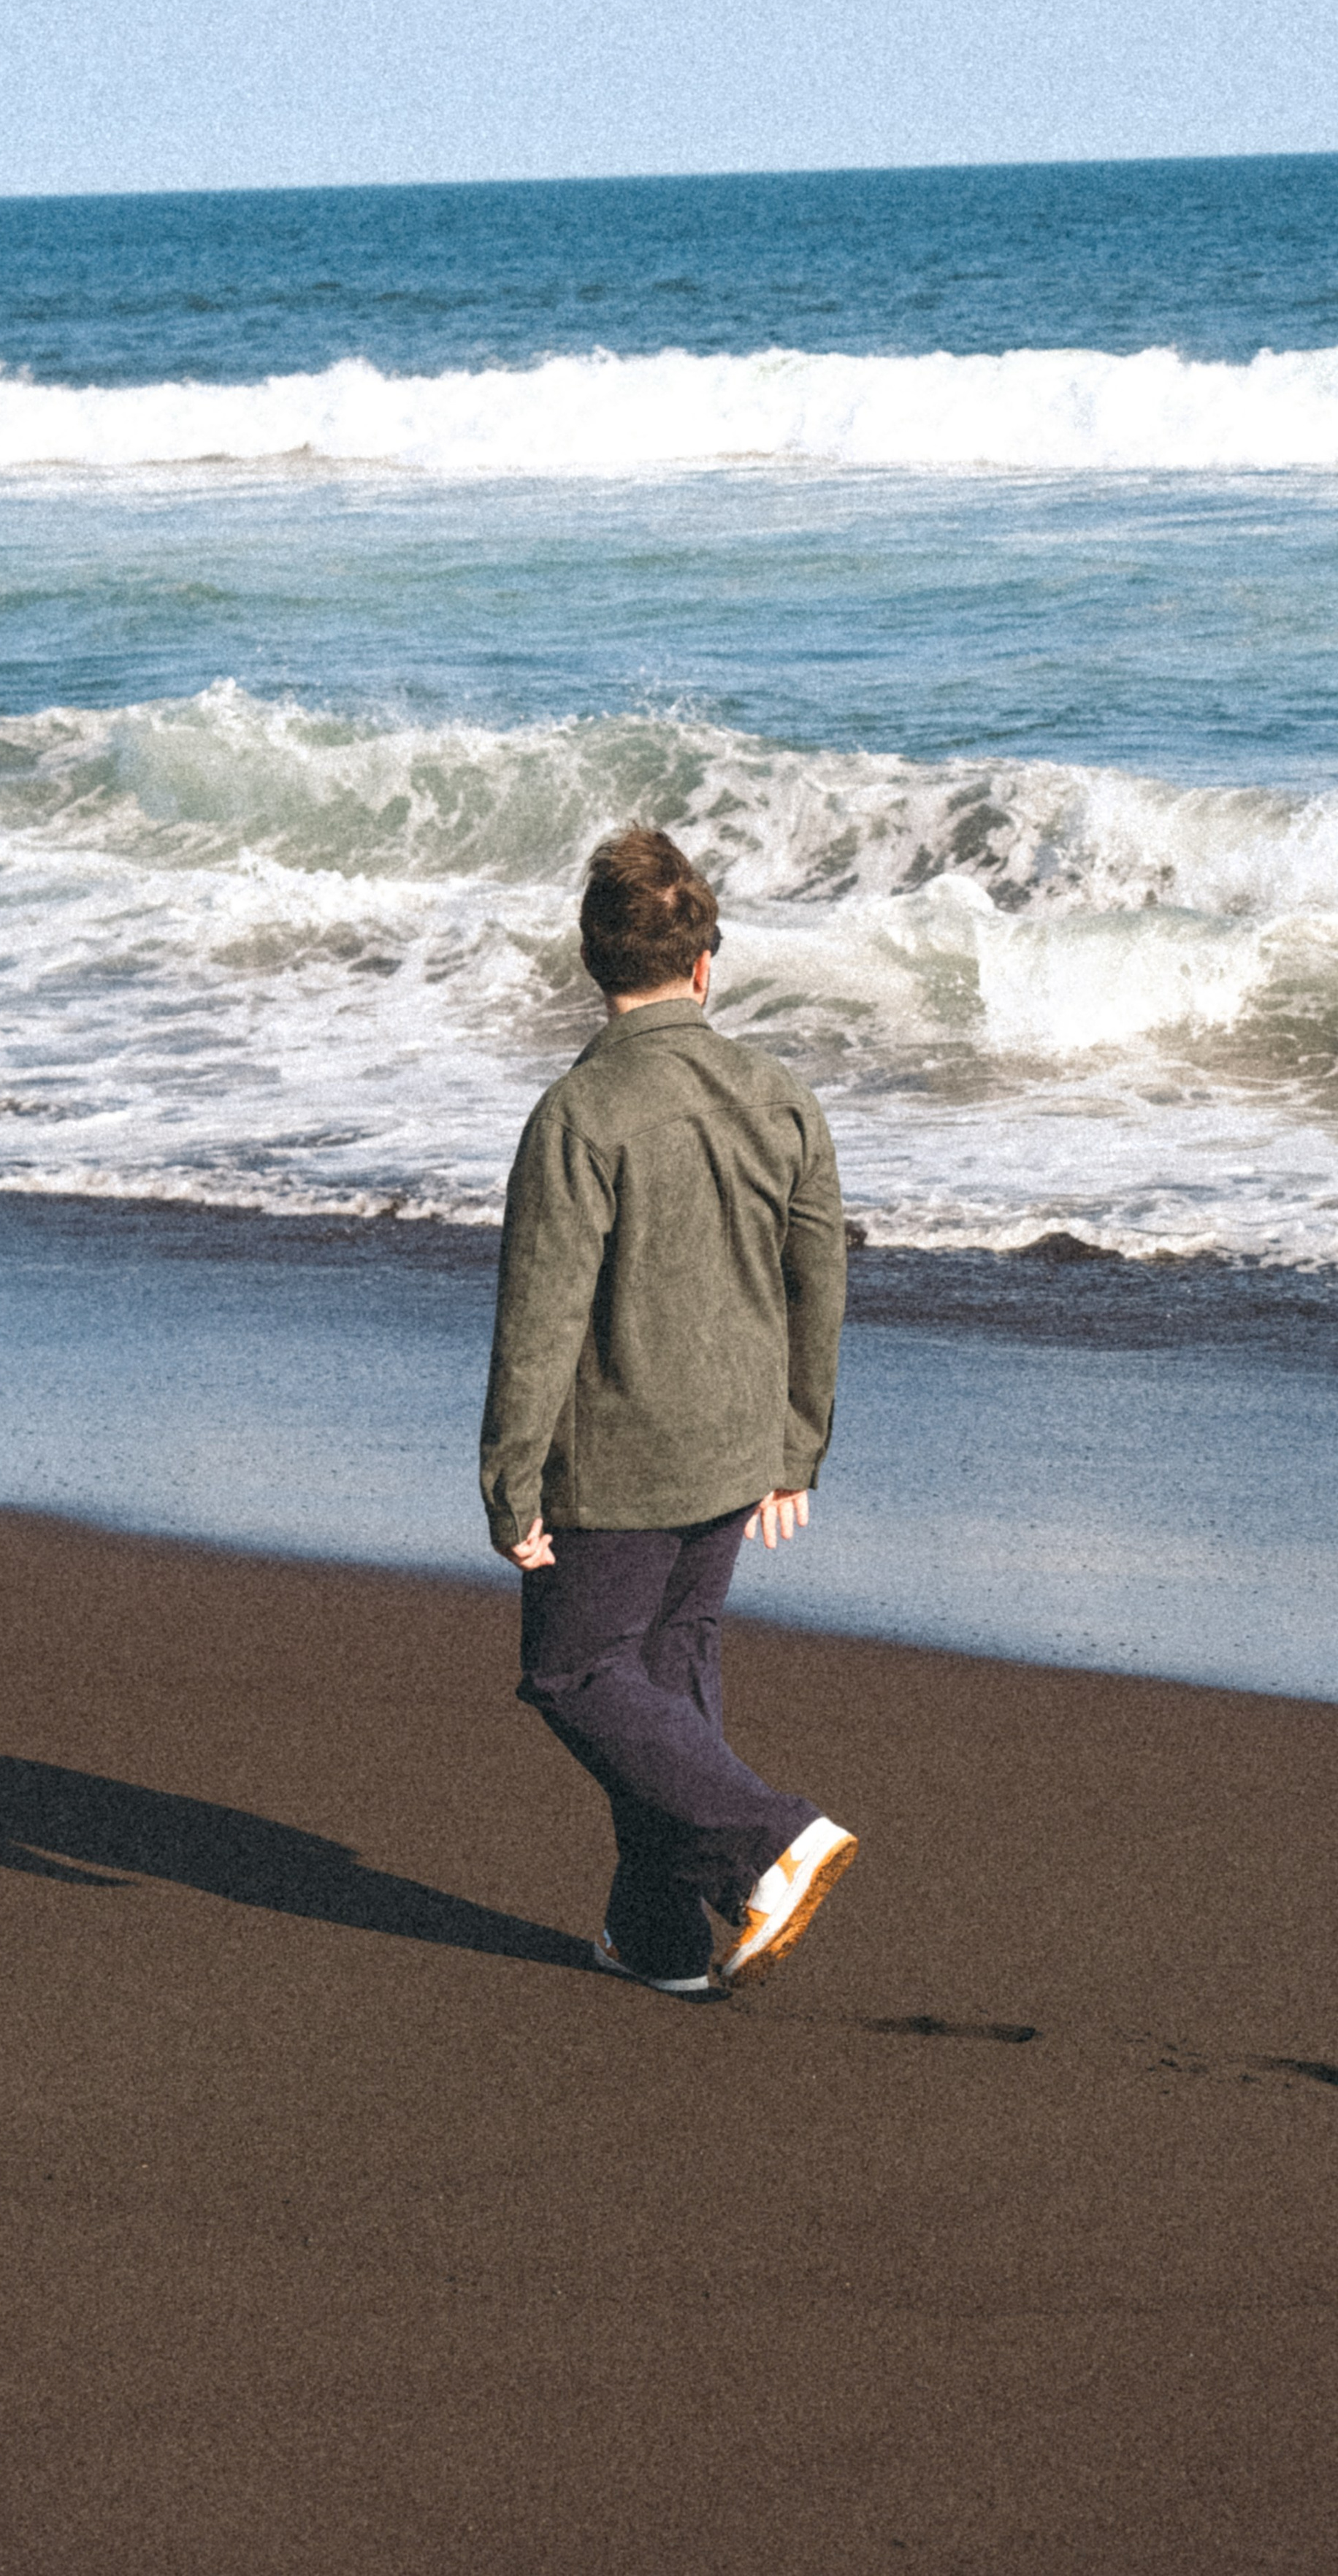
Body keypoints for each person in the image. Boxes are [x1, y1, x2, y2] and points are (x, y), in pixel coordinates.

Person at [479, 825, 856, 2002]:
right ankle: (661, 1941)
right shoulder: (780, 1098)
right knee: (671, 1666)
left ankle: (769, 1840)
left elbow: (539, 1318)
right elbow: (820, 1285)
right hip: (740, 1443)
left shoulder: (581, 1113)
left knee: (578, 1676)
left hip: (621, 1458)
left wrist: (509, 1479)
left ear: (594, 963)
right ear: (706, 964)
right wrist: (797, 1447)